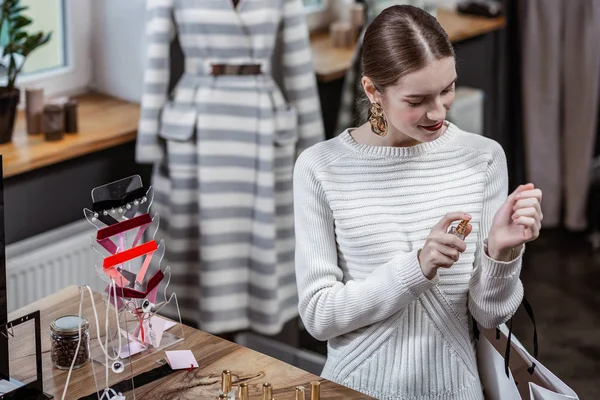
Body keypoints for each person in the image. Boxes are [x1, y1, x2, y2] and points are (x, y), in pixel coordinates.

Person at [292, 5, 543, 400]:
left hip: (457, 390)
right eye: (417, 99)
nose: (438, 112)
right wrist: (417, 267)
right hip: (353, 389)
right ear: (374, 91)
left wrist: (502, 253)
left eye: (447, 89)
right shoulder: (320, 168)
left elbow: (491, 315)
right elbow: (319, 317)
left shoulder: (483, 158)